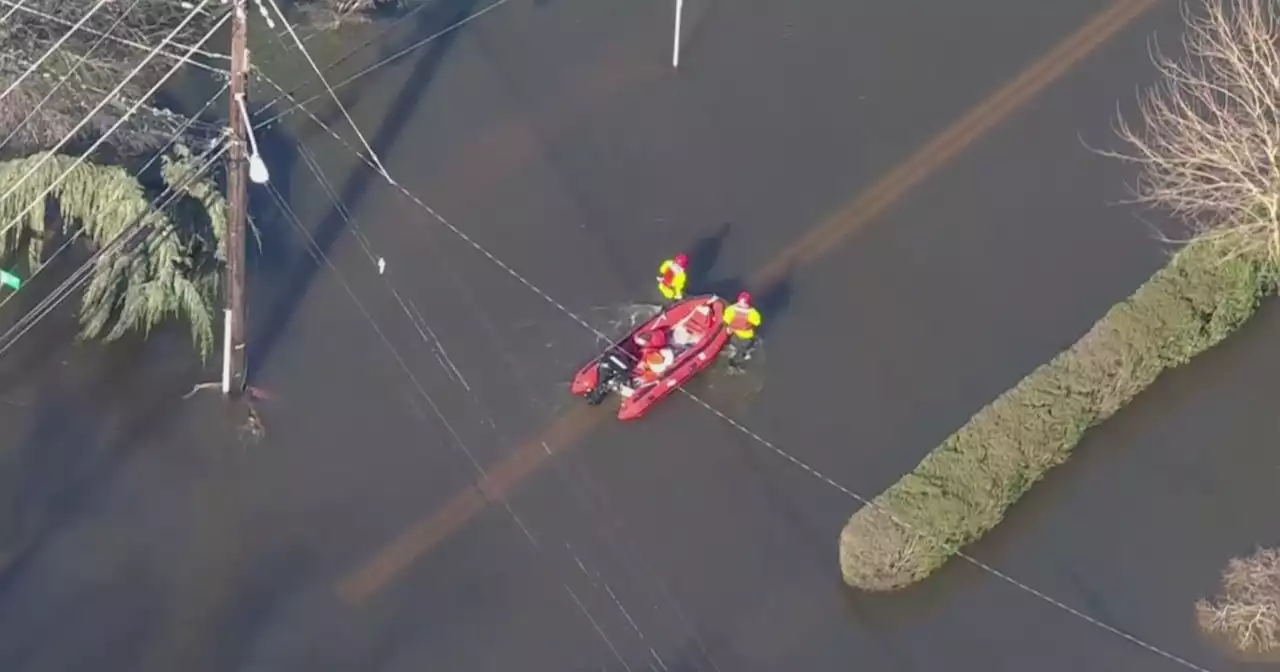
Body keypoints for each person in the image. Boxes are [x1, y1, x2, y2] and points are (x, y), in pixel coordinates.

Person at [723, 292, 761, 365]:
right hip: (746, 336)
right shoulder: (753, 313)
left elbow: (726, 319)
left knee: (733, 344)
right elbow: (757, 322)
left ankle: (733, 351)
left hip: (733, 334)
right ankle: (744, 355)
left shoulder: (731, 309)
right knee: (746, 348)